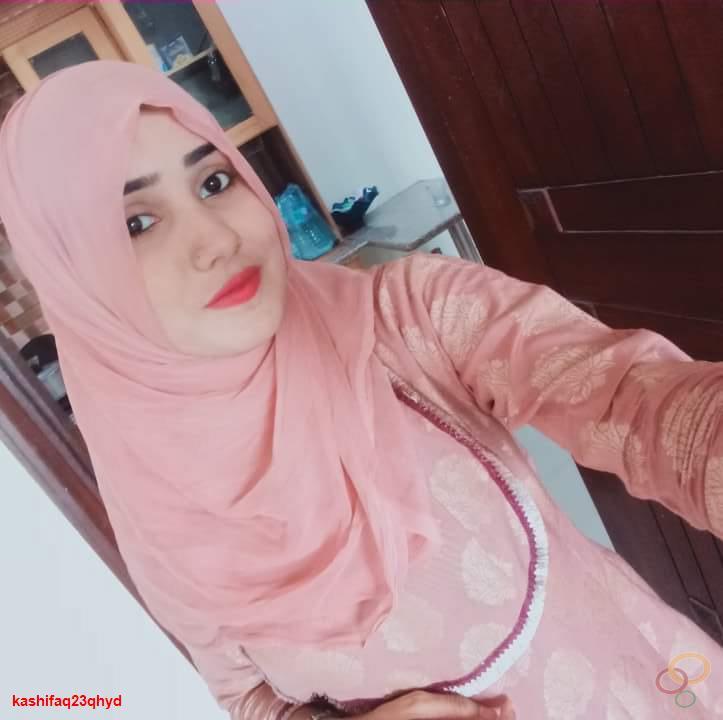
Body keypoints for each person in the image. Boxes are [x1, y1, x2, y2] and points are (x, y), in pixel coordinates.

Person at [0, 60, 721, 720]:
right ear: (76, 280)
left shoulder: (404, 320)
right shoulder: (154, 503)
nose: (217, 238)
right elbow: (247, 694)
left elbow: (632, 399)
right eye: (137, 223)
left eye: (214, 182)